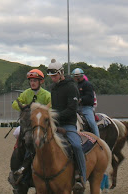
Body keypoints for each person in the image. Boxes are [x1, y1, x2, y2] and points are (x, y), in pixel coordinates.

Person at [9, 69, 51, 193]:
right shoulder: (26, 93)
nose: (32, 83)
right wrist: (25, 108)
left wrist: (38, 109)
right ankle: (16, 165)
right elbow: (15, 104)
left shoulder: (46, 95)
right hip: (28, 124)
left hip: (41, 125)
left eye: (35, 81)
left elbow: (51, 106)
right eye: (31, 81)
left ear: (40, 82)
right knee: (16, 133)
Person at [47, 59, 86, 192]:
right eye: (51, 76)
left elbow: (71, 109)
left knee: (76, 145)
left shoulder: (71, 87)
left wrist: (55, 116)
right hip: (55, 124)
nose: (52, 78)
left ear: (61, 73)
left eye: (54, 76)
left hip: (68, 124)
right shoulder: (53, 88)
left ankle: (81, 177)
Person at [72, 68, 100, 137]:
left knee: (91, 122)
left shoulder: (87, 84)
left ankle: (98, 138)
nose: (75, 78)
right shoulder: (76, 86)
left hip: (86, 108)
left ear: (81, 76)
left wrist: (81, 99)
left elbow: (90, 97)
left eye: (77, 76)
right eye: (75, 76)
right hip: (77, 108)